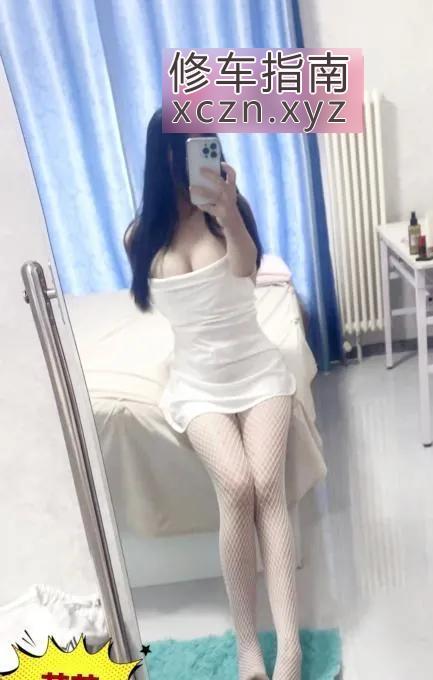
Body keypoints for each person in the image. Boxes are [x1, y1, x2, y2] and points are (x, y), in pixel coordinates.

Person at [125, 108, 301, 680]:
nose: (198, 154)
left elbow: (248, 270)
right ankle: (248, 646)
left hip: (257, 371)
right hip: (197, 384)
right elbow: (147, 300)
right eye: (185, 146)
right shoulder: (140, 235)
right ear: (163, 156)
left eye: (205, 143)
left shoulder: (230, 211)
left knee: (268, 485)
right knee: (237, 483)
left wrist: (226, 212)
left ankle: (290, 647)